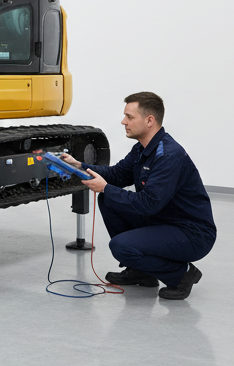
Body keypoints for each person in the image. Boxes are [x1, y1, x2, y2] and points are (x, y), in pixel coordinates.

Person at [60, 92, 215, 300]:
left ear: (149, 120)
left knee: (120, 245)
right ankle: (142, 271)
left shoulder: (168, 156)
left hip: (191, 233)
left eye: (129, 117)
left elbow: (149, 204)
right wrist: (79, 166)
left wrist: (105, 187)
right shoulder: (142, 149)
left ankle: (182, 275)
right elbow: (117, 175)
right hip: (163, 220)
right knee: (109, 200)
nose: (123, 121)